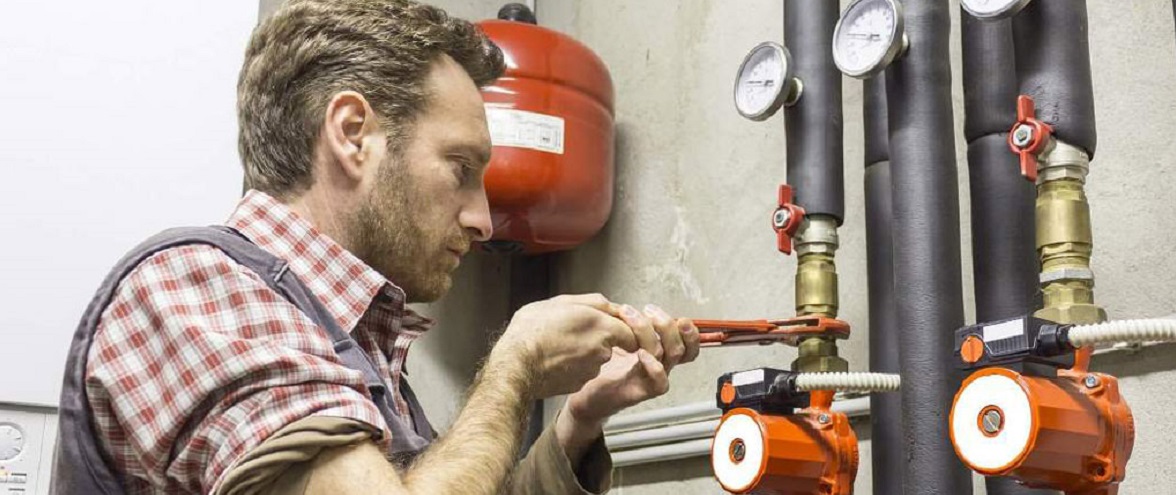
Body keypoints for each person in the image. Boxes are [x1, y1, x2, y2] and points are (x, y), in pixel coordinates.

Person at [54, 1, 700, 493]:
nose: (481, 218)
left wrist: (577, 422)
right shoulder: (197, 291)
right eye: (460, 167)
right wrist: (515, 366)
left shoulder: (344, 341)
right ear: (352, 133)